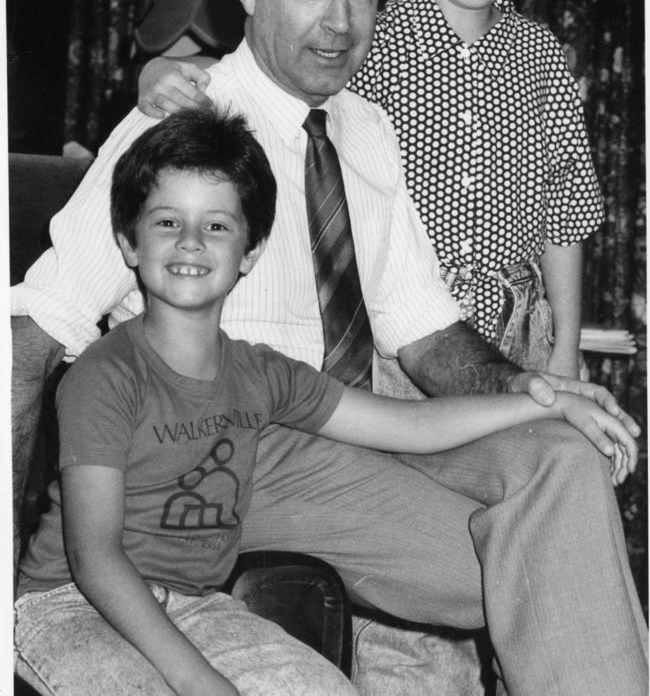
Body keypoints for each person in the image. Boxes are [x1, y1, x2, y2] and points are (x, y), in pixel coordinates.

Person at [11, 0, 648, 696]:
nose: (341, 24)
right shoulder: (179, 124)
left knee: (561, 464)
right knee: (553, 565)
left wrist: (535, 384)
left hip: (351, 429)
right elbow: (31, 342)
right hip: (224, 445)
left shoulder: (366, 128)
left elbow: (423, 332)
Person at [14, 107, 637, 696]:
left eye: (217, 226)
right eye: (167, 222)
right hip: (71, 605)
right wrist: (199, 680)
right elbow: (94, 556)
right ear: (129, 243)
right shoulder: (105, 375)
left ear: (250, 252)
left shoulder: (258, 372)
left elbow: (409, 425)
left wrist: (545, 402)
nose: (191, 243)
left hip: (196, 606)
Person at [139, 0, 601, 380]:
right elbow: (275, 79)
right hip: (405, 332)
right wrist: (158, 73)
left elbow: (566, 210)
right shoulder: (372, 34)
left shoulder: (541, 53)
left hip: (521, 323)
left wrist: (567, 344)